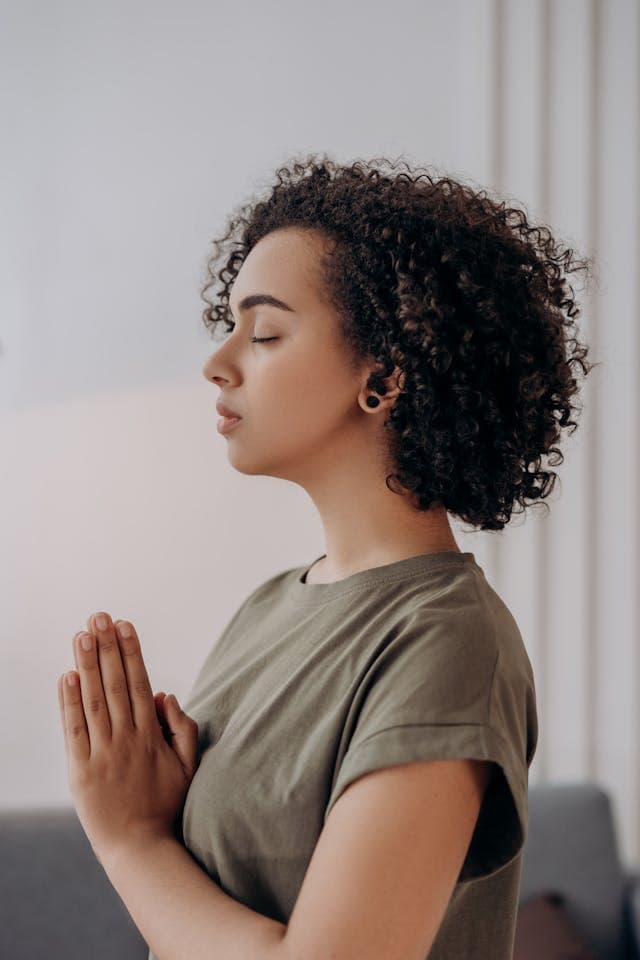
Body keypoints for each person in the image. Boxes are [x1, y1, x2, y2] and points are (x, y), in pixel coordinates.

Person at [157, 154, 597, 960]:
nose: (218, 363)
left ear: (384, 377)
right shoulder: (267, 607)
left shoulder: (447, 642)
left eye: (264, 333)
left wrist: (130, 839)